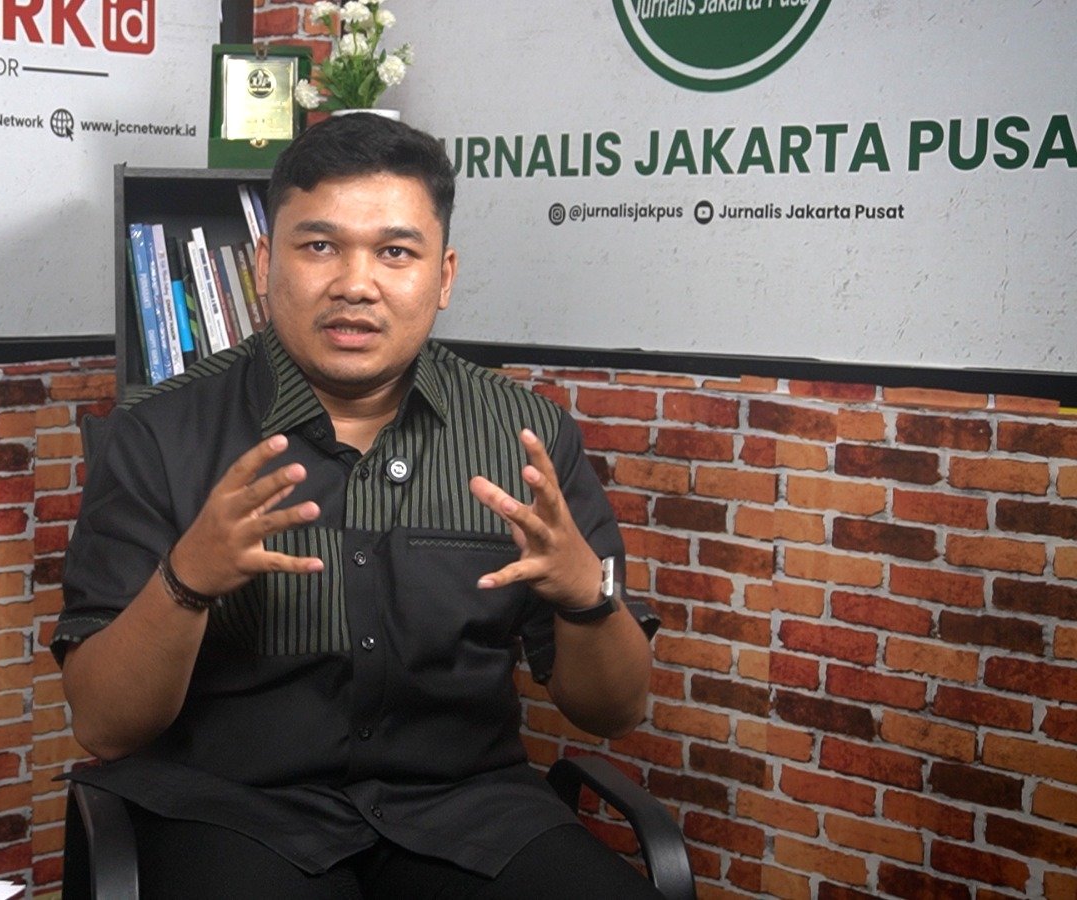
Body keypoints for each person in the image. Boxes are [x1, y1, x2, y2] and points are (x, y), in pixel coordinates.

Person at [53, 113, 661, 898]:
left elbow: (614, 710)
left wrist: (587, 599)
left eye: (395, 252)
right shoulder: (161, 433)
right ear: (265, 263)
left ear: (443, 275)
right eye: (319, 246)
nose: (355, 283)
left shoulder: (526, 438)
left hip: (468, 814)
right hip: (229, 814)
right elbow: (103, 725)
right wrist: (187, 580)